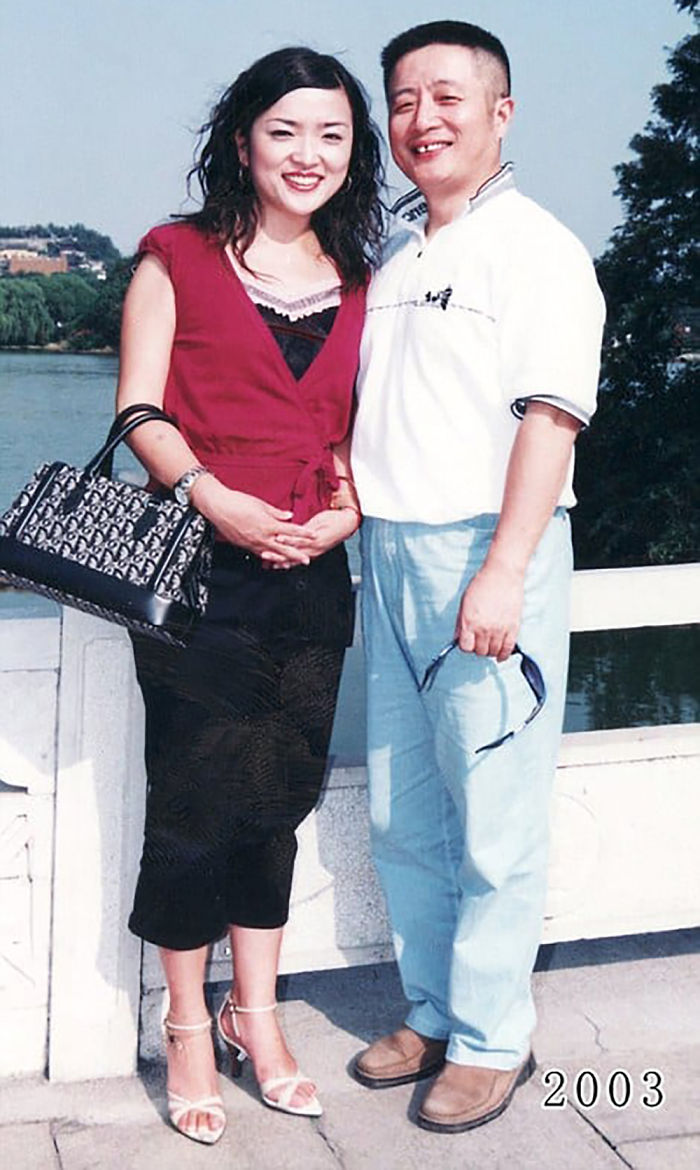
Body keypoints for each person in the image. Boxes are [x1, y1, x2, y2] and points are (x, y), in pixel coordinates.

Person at [116, 46, 382, 1145]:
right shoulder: (172, 257)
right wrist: (212, 496)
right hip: (196, 569)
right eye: (285, 131)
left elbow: (370, 432)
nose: (307, 153)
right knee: (191, 804)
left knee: (278, 800)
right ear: (242, 142)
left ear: (351, 149)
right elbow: (138, 411)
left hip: (313, 579)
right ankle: (187, 1028)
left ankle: (255, 1015)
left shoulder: (369, 280)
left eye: (330, 133)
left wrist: (351, 507)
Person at [350, 20, 605, 1133]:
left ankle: (494, 1038)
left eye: (447, 98)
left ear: (501, 114)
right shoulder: (399, 254)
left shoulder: (538, 248)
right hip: (389, 556)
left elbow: (550, 420)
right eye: (402, 100)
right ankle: (435, 1009)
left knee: (493, 815)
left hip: (485, 554)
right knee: (407, 816)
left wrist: (503, 571)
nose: (422, 120)